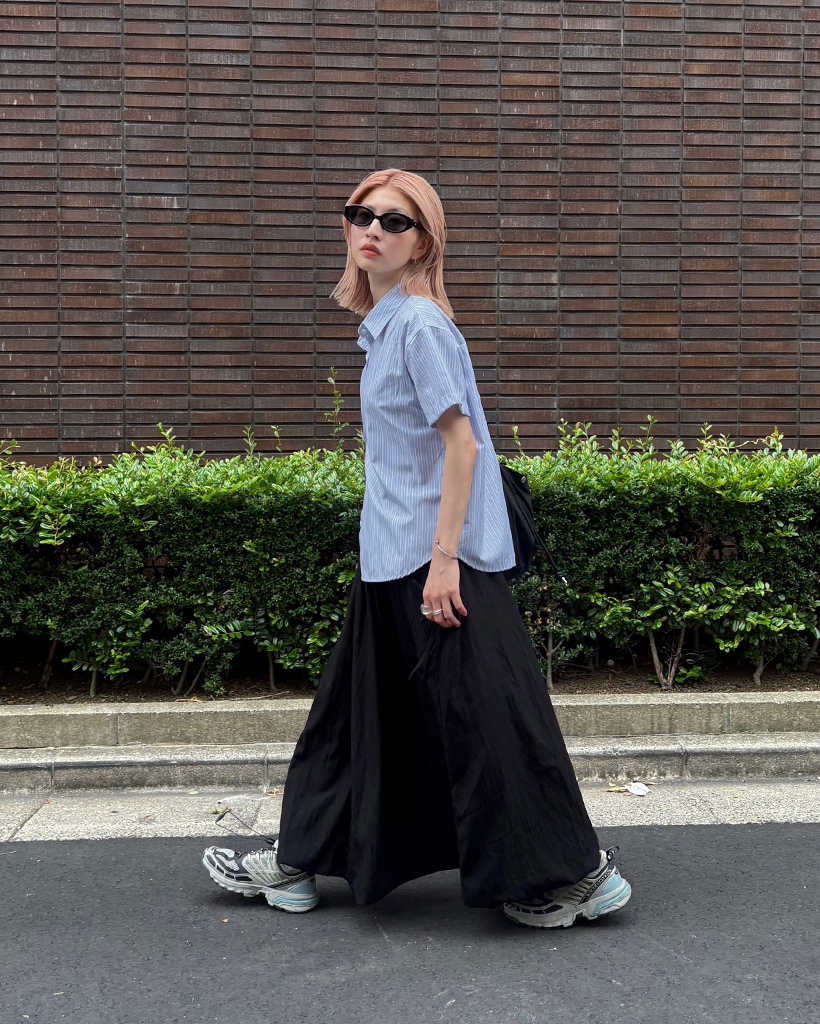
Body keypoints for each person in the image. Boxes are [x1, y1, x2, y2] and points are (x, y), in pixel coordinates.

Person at [202, 169, 632, 929]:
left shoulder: (421, 327)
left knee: (490, 722)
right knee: (356, 721)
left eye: (394, 221)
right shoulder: (387, 326)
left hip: (437, 567)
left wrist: (443, 562)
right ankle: (299, 862)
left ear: (423, 242)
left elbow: (462, 446)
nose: (372, 229)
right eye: (360, 214)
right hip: (390, 561)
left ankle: (573, 878)